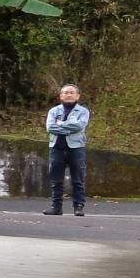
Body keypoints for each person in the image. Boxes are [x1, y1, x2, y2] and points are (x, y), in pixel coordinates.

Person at [44, 83, 90, 216]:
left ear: (78, 96)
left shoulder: (83, 111)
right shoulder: (54, 111)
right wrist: (69, 127)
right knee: (56, 179)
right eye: (66, 92)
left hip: (76, 148)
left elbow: (80, 126)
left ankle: (79, 207)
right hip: (56, 148)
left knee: (78, 178)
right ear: (60, 96)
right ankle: (56, 207)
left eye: (72, 92)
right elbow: (50, 128)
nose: (69, 94)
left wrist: (61, 125)